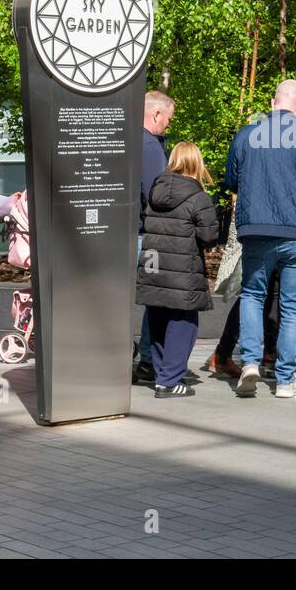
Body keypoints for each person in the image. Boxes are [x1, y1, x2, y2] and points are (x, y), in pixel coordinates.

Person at [224, 79, 296, 399]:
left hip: (257, 229)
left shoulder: (247, 135)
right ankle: (285, 380)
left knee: (252, 295)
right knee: (291, 305)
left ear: (274, 103)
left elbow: (231, 180)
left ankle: (249, 362)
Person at [135, 141, 219, 398]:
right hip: (183, 271)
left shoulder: (154, 193)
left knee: (158, 319)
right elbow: (209, 237)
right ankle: (170, 381)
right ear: (196, 163)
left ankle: (162, 377)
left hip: (154, 267)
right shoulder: (198, 198)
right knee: (183, 323)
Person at [134, 90, 175, 384]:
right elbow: (156, 194)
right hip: (145, 238)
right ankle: (149, 360)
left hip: (131, 233)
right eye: (168, 120)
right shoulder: (149, 146)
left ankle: (146, 360)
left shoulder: (129, 139)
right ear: (156, 114)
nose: (168, 126)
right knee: (156, 297)